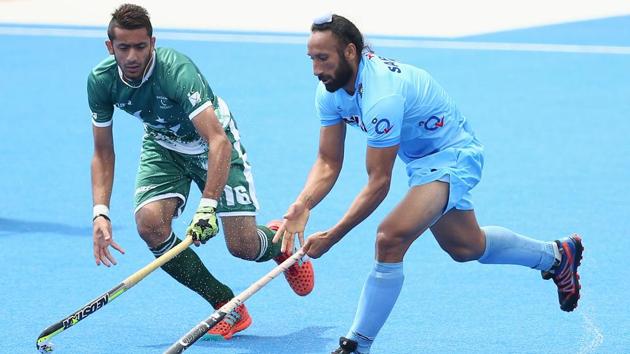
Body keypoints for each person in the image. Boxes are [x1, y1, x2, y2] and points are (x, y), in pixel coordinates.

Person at [272, 13, 583, 354]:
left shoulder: (381, 99)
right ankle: (556, 256)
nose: (316, 69)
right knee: (466, 246)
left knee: (389, 238)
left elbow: (378, 182)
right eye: (312, 59)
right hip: (421, 162)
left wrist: (334, 235)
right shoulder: (329, 91)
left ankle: (357, 345)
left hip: (453, 155)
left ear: (350, 52)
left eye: (323, 59)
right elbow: (328, 162)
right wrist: (303, 204)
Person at [88, 3, 314, 341]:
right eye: (124, 48)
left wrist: (207, 205)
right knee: (149, 224)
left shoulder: (177, 71)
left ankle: (278, 242)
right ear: (111, 48)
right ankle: (226, 305)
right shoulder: (101, 81)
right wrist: (100, 213)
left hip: (213, 145)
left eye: (140, 46)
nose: (133, 56)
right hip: (164, 146)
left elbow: (217, 141)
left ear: (153, 42)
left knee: (242, 246)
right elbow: (103, 151)